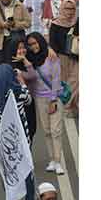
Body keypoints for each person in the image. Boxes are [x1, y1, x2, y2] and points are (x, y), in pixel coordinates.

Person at [0, 63, 35, 200]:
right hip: (20, 140)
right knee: (26, 169)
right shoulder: (19, 93)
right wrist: (21, 81)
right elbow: (29, 100)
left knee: (8, 172)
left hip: (1, 143)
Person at [19, 32, 66, 175]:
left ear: (40, 41)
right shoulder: (30, 58)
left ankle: (58, 161)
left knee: (56, 130)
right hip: (39, 98)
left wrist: (53, 100)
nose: (33, 46)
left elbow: (56, 79)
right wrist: (25, 62)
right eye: (30, 44)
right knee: (46, 131)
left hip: (54, 97)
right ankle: (52, 159)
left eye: (35, 43)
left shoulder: (51, 57)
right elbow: (31, 76)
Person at [48, 0, 78, 117]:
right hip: (61, 58)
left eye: (72, 9)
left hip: (75, 58)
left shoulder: (77, 22)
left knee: (75, 82)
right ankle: (67, 106)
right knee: (65, 83)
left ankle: (71, 105)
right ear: (62, 9)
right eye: (67, 8)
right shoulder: (56, 24)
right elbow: (52, 42)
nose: (69, 11)